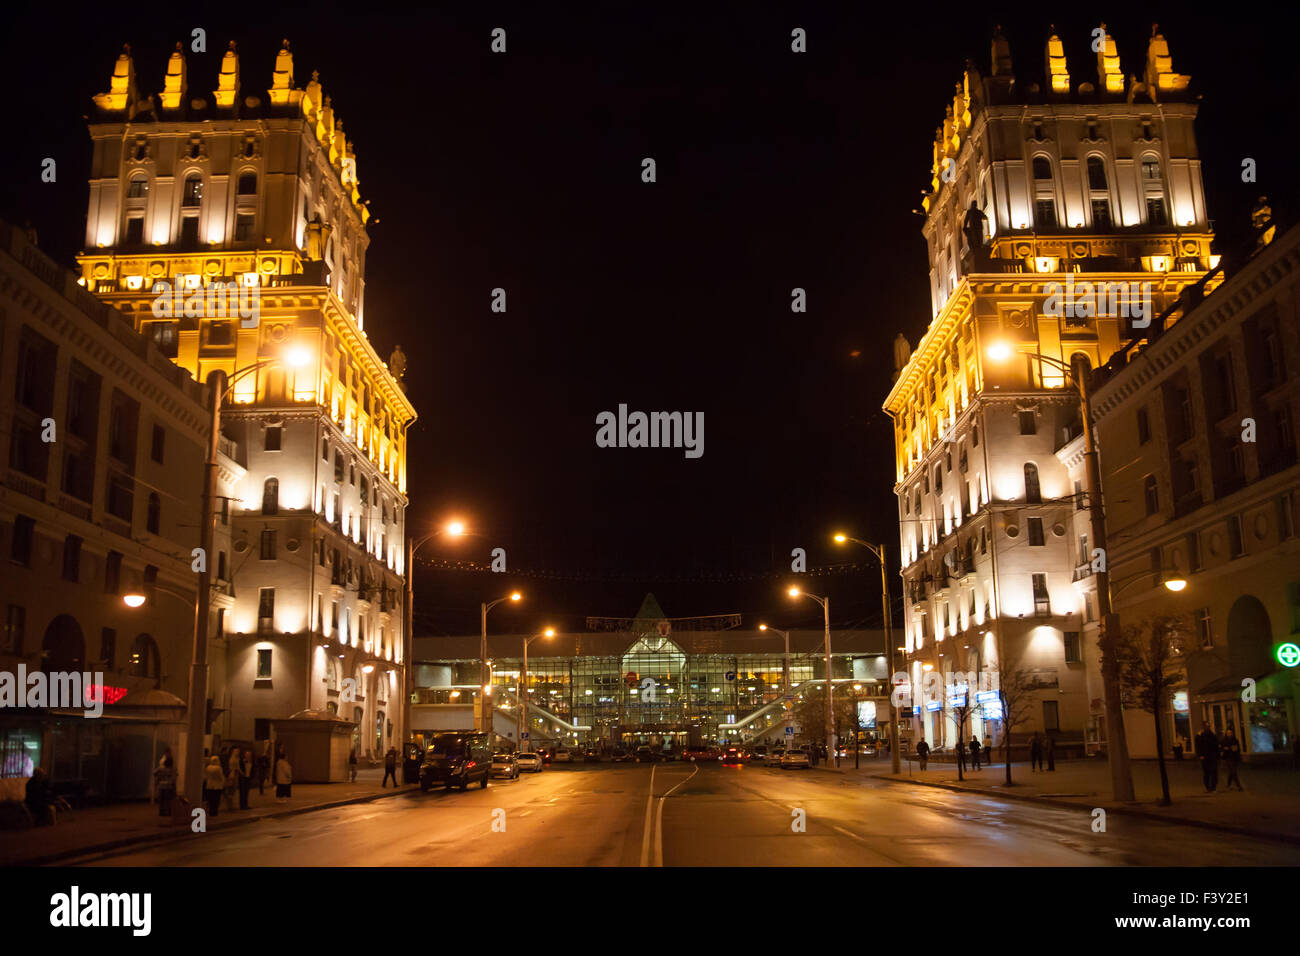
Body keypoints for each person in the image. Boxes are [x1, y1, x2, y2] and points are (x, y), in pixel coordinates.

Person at [1195, 722, 1220, 792]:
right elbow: (1198, 746)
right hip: (1205, 756)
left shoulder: (1212, 735)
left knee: (1214, 771)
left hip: (1212, 756)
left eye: (1208, 726)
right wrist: (1200, 755)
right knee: (1207, 772)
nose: (1207, 727)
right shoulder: (1200, 736)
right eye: (1206, 726)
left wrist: (1217, 755)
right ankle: (1208, 787)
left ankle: (1213, 787)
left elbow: (1216, 745)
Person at [155, 750, 177, 817]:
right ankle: (168, 812)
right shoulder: (173, 770)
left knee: (161, 800)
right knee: (168, 800)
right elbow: (174, 778)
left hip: (161, 786)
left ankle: (161, 812)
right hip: (169, 787)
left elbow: (155, 773)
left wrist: (158, 781)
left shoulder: (160, 769)